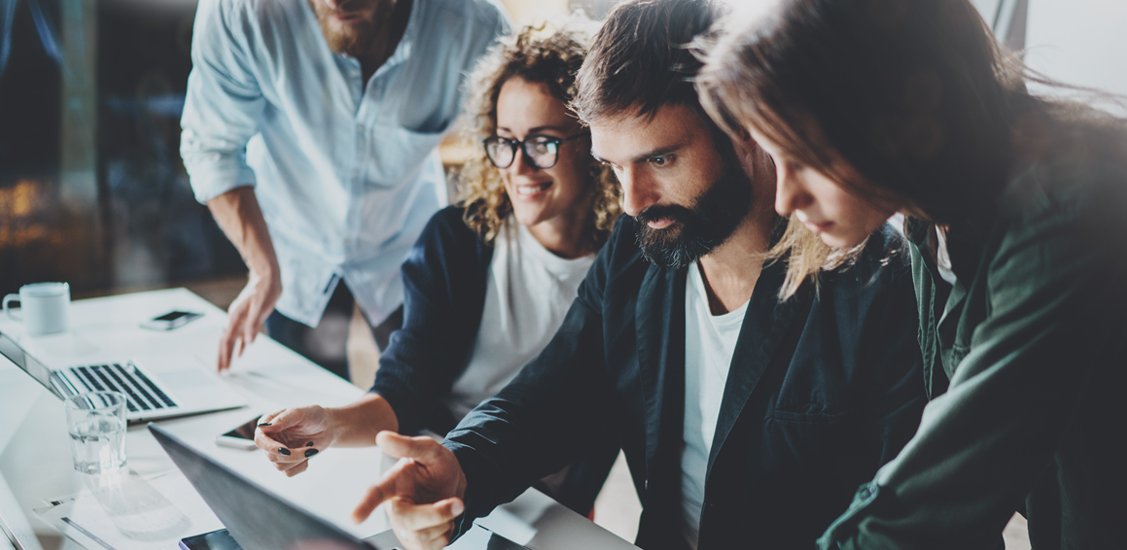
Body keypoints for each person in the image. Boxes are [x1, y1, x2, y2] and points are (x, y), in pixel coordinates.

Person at [347, 1, 926, 549]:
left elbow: (912, 520)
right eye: (613, 167)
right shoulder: (641, 246)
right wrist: (461, 465)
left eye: (659, 158)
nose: (632, 201)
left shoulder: (877, 282)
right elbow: (553, 392)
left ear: (742, 126)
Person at [695, 0, 1127, 547]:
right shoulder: (930, 207)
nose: (786, 198)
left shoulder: (1070, 207)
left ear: (886, 116)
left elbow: (951, 486)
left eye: (805, 159)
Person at [251, 23, 623, 515]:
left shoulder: (630, 267)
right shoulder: (456, 241)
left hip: (545, 501)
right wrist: (331, 424)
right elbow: (404, 387)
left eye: (542, 143)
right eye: (505, 141)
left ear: (594, 143)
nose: (517, 166)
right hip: (430, 469)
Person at [180, 0, 508, 379]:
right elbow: (213, 147)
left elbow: (509, 150)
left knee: (428, 405)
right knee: (300, 416)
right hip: (293, 253)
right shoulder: (242, 12)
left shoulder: (475, 28)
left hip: (406, 244)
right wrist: (262, 267)